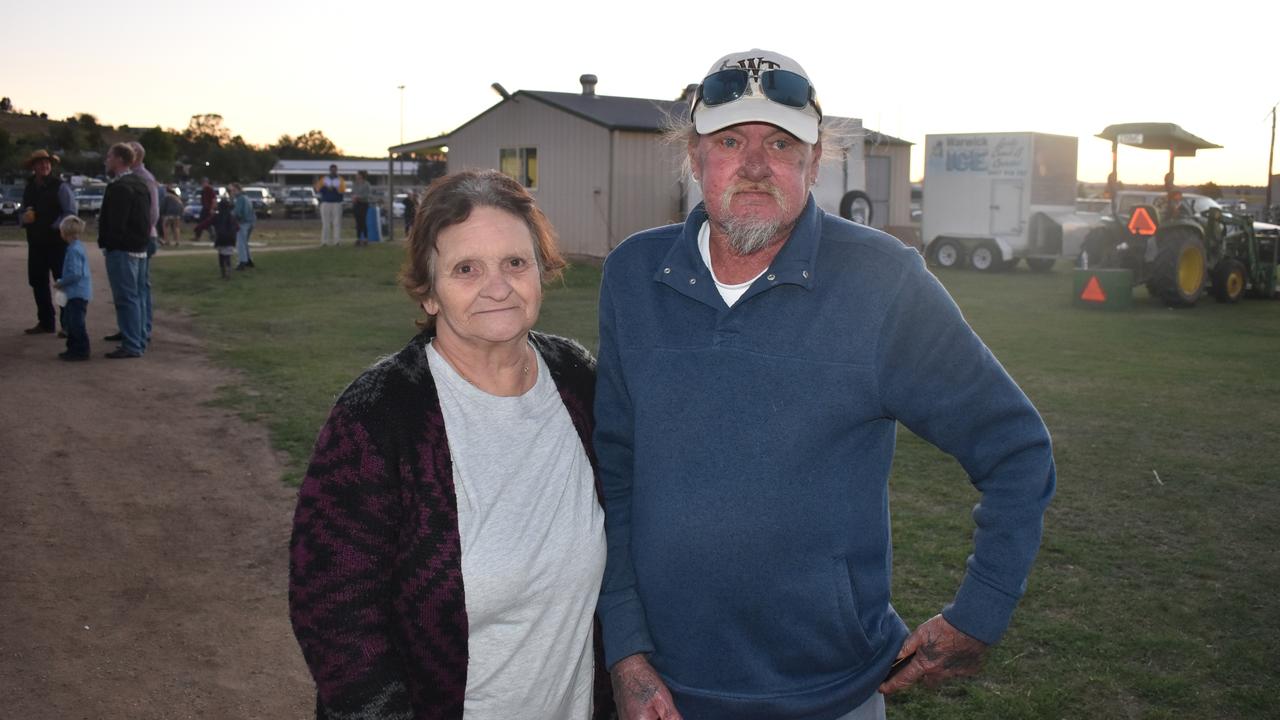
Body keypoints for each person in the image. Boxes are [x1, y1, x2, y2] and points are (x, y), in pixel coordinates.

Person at [594, 49, 1056, 720]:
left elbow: (1015, 447)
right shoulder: (634, 276)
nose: (755, 164)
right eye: (730, 141)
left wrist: (979, 613)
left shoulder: (882, 281)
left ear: (813, 163)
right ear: (695, 159)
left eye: (780, 143)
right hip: (665, 692)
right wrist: (625, 651)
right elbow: (616, 477)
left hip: (829, 695)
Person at [289, 169, 612, 720]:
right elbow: (332, 612)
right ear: (429, 292)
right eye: (466, 269)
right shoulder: (379, 414)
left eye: (516, 262)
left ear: (541, 271)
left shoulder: (578, 381)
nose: (498, 286)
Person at [98, 143, 152, 359]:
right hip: (139, 248)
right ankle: (138, 338)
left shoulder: (119, 187)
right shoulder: (140, 183)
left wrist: (110, 243)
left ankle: (131, 345)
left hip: (122, 250)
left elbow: (116, 222)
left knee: (126, 297)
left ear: (119, 159)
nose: (106, 160)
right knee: (137, 296)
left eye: (109, 156)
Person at [18, 149, 77, 335]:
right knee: (37, 282)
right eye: (40, 163)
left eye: (47, 162)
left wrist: (54, 226)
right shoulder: (29, 187)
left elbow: (70, 212)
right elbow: (23, 211)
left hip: (57, 243)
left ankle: (67, 324)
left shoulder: (60, 186)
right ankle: (45, 322)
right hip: (35, 243)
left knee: (61, 283)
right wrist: (23, 219)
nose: (44, 165)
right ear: (33, 167)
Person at [53, 215, 92, 361]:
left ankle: (81, 350)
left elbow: (75, 274)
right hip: (77, 292)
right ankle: (72, 348)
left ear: (64, 232)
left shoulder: (73, 251)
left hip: (77, 293)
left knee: (76, 323)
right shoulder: (77, 247)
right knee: (72, 321)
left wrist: (61, 282)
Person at [314, 163, 344, 246]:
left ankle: (337, 241)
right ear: (330, 170)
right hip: (326, 202)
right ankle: (324, 241)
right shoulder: (324, 179)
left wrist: (336, 188)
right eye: (332, 169)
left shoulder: (340, 179)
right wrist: (325, 187)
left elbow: (342, 190)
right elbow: (317, 188)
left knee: (336, 222)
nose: (333, 171)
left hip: (336, 203)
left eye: (335, 170)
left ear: (337, 170)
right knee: (325, 223)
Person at [230, 183, 256, 269]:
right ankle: (248, 260)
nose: (232, 192)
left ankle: (242, 261)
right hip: (251, 222)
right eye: (231, 191)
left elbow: (237, 212)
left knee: (240, 242)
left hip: (243, 223)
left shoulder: (240, 199)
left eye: (233, 190)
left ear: (238, 190)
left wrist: (230, 215)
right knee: (244, 242)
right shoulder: (246, 197)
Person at [212, 193, 238, 280]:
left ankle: (223, 273)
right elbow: (237, 227)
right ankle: (228, 272)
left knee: (221, 256)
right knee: (228, 257)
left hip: (220, 239)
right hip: (230, 239)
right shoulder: (232, 217)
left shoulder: (217, 216)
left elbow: (207, 222)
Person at [351, 169, 372, 247]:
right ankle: (358, 238)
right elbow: (352, 192)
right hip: (356, 204)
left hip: (364, 204)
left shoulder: (367, 184)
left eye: (358, 174)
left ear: (362, 175)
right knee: (358, 221)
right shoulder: (355, 184)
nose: (357, 176)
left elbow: (368, 195)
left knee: (363, 221)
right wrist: (353, 197)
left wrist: (358, 197)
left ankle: (365, 239)